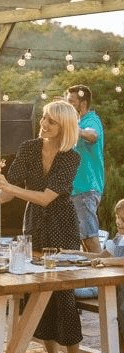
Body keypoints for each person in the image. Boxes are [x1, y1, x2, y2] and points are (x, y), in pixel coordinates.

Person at [0, 100, 83, 353]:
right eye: (43, 118)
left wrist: (10, 188)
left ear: (64, 127)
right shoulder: (29, 148)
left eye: (51, 121)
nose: (43, 123)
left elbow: (45, 197)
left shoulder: (71, 157)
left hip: (62, 227)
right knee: (35, 295)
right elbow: (8, 192)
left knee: (63, 296)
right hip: (34, 227)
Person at [62, 198, 124, 353]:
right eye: (117, 217)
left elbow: (112, 260)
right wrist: (74, 253)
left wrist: (107, 261)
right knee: (118, 336)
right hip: (118, 296)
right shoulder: (119, 239)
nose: (118, 222)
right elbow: (100, 256)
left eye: (123, 219)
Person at [65, 85, 105, 253]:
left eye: (70, 102)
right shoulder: (80, 122)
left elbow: (92, 135)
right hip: (78, 190)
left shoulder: (91, 120)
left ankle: (112, 279)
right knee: (85, 241)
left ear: (82, 103)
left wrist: (74, 128)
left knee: (90, 238)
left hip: (86, 188)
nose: (68, 105)